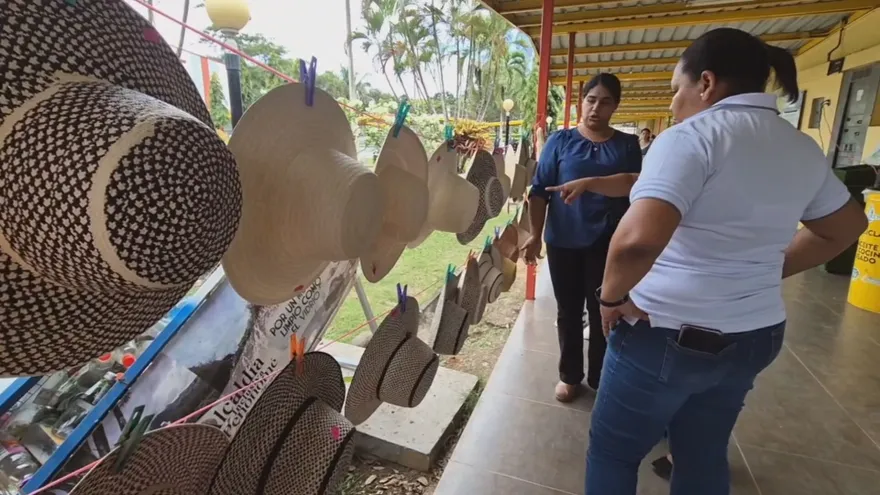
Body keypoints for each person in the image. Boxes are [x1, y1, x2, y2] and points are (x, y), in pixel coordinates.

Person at [551, 28, 867, 494]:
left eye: (677, 89)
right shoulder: (800, 147)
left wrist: (610, 297)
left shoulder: (691, 137)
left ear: (706, 83)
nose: (675, 102)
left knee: (615, 451)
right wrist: (765, 271)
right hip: (755, 335)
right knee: (702, 452)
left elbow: (635, 242)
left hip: (666, 333)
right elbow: (845, 228)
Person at [521, 73, 642, 402]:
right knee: (568, 311)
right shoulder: (559, 142)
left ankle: (602, 377)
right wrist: (534, 235)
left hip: (609, 243)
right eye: (591, 100)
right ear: (581, 102)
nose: (596, 108)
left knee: (605, 310)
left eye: (605, 102)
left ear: (615, 106)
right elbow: (539, 191)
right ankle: (569, 375)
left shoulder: (627, 145)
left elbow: (637, 186)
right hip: (563, 240)